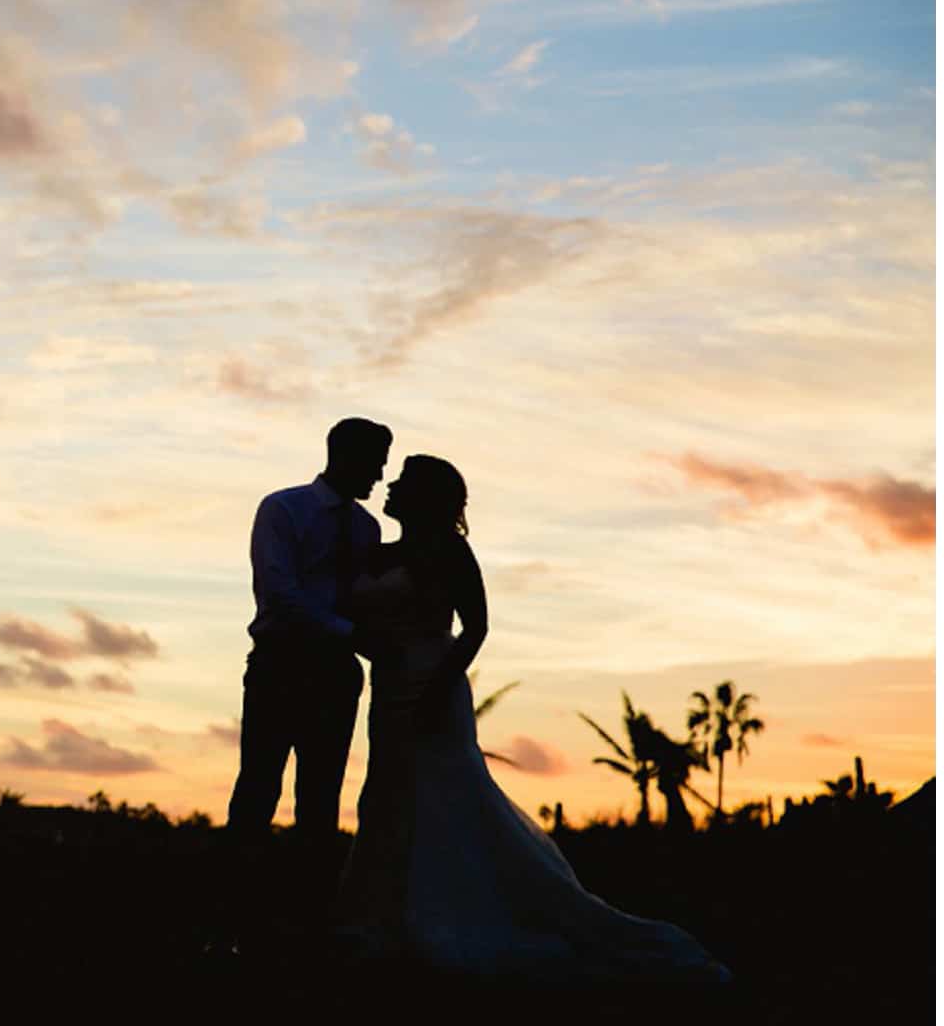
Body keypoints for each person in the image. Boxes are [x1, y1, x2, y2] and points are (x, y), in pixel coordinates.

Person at [334, 455, 730, 982]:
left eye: (404, 480)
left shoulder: (451, 551)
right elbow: (353, 620)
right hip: (386, 691)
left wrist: (435, 688)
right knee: (386, 800)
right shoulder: (376, 553)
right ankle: (383, 919)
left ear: (426, 496)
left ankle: (447, 916)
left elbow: (476, 626)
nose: (392, 485)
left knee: (445, 799)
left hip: (435, 685)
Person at [227, 417, 396, 931]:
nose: (380, 474)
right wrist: (347, 633)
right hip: (281, 663)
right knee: (257, 792)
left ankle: (308, 922)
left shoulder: (367, 529)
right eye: (374, 462)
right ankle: (234, 919)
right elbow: (278, 589)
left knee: (322, 803)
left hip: (336, 675)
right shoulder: (282, 509)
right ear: (344, 456)